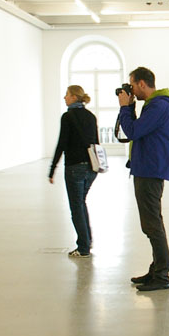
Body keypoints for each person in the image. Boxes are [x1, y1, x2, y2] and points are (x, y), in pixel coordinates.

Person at [116, 67, 169, 291]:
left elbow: (132, 132)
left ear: (142, 83)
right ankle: (156, 270)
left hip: (150, 171)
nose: (131, 90)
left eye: (132, 85)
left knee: (152, 225)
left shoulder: (158, 106)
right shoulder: (154, 105)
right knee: (152, 223)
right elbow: (138, 131)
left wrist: (124, 107)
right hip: (148, 168)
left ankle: (162, 276)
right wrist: (130, 107)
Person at [49, 85, 100, 258]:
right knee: (81, 203)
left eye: (67, 95)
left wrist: (52, 168)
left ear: (74, 97)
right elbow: (96, 142)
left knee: (76, 206)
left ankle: (83, 247)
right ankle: (87, 240)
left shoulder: (68, 116)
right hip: (91, 168)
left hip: (74, 167)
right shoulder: (90, 116)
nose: (64, 97)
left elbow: (62, 143)